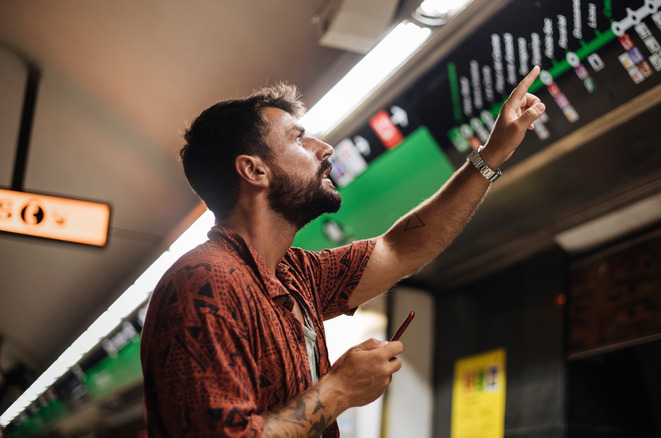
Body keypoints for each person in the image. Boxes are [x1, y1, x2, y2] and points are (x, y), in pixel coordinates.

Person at [140, 66, 545, 437]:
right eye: (298, 138)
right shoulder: (202, 285)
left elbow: (401, 247)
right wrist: (338, 391)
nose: (325, 149)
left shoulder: (295, 274)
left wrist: (492, 154)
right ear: (255, 170)